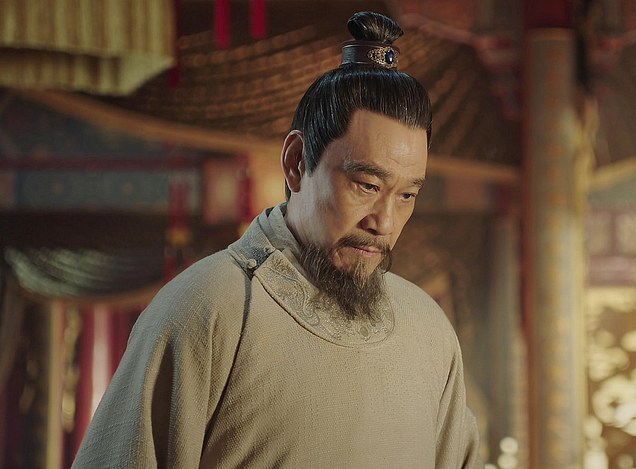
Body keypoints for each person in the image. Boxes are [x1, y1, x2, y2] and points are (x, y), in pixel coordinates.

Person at [71, 10, 483, 469]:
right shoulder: (207, 310)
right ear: (296, 162)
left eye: (407, 195)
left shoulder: (427, 330)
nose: (385, 222)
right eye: (367, 185)